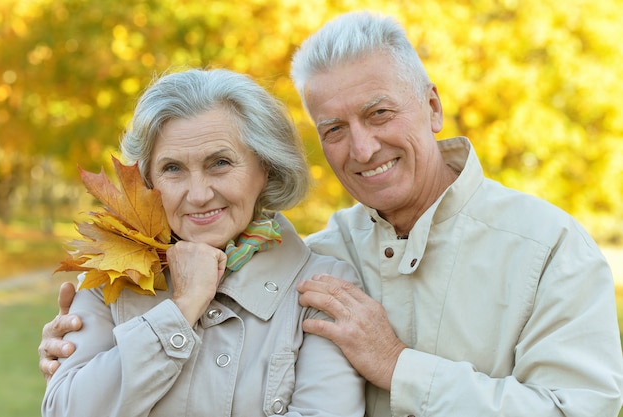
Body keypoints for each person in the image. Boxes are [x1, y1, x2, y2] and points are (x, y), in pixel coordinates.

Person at [40, 11, 623, 416]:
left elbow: (581, 412)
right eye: (335, 129)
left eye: (379, 113)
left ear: (433, 106)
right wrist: (103, 342)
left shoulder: (548, 249)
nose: (363, 148)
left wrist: (399, 367)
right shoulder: (321, 255)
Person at [41, 68, 365, 417]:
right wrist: (181, 309)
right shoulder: (111, 277)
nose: (198, 195)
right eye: (173, 169)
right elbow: (65, 410)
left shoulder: (324, 288)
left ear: (266, 167)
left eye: (220, 163)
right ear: (148, 180)